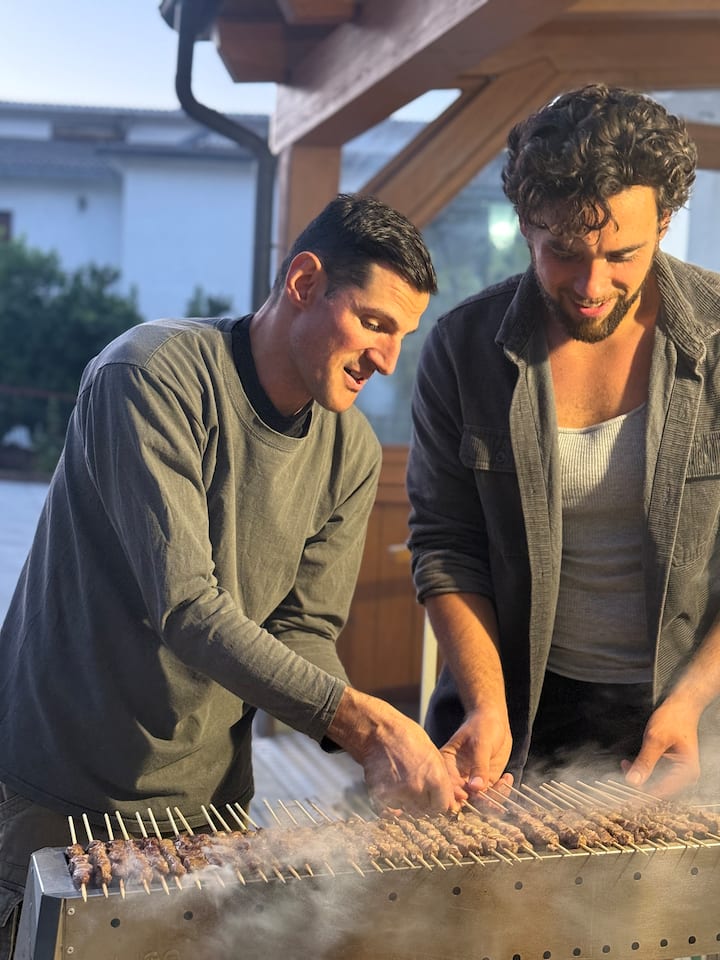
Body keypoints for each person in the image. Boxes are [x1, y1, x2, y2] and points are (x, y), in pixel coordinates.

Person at [0, 193, 462, 958]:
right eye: (375, 323)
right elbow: (185, 605)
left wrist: (377, 753)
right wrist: (367, 724)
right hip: (62, 788)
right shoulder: (149, 377)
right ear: (304, 282)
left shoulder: (350, 451)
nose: (387, 361)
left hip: (210, 804)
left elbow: (303, 629)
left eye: (402, 337)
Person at [407, 84, 720, 806]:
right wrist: (487, 705)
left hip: (692, 717)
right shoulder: (463, 349)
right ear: (526, 227)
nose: (591, 285)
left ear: (665, 222)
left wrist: (691, 699)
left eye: (623, 254)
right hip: (511, 719)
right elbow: (447, 547)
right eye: (564, 252)